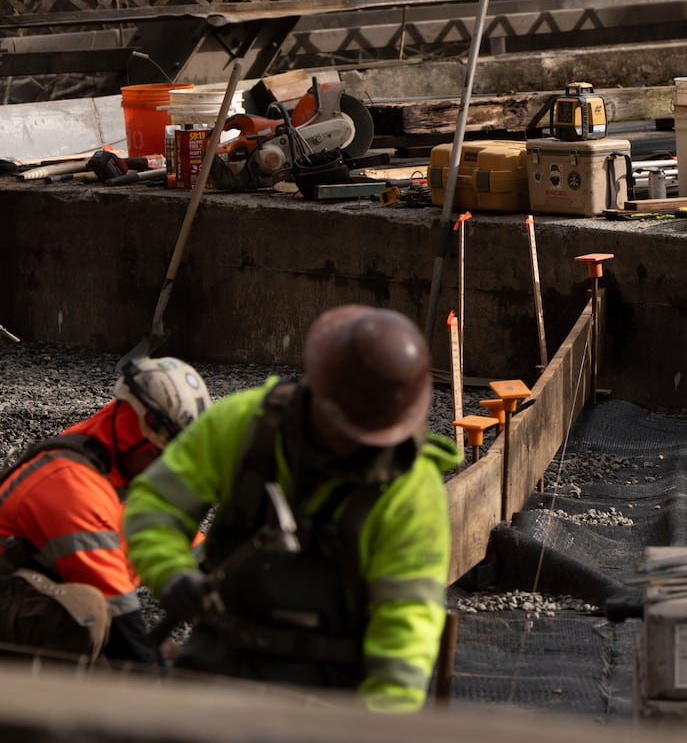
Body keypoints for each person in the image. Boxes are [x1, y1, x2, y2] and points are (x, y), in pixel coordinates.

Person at [123, 305, 460, 712]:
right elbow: (155, 505)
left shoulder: (410, 491)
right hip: (220, 668)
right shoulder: (246, 426)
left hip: (333, 696)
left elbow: (408, 621)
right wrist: (172, 573)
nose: (350, 445)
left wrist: (378, 732)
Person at [0, 356, 213, 664]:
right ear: (142, 430)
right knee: (88, 611)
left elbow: (196, 555)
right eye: (164, 456)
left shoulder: (124, 460)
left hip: (25, 603)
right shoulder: (72, 483)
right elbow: (122, 625)